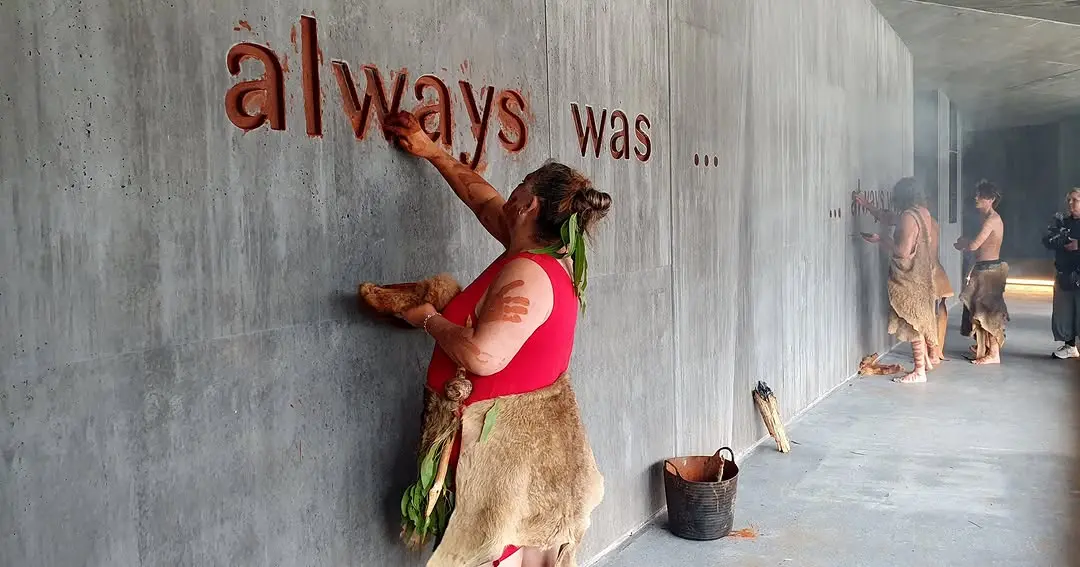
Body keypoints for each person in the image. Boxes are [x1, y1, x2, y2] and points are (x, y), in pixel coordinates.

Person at [383, 110, 608, 567]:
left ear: (530, 206)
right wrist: (432, 151)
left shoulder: (528, 271)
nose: (509, 193)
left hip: (502, 459)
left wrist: (430, 319)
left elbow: (483, 355)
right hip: (511, 454)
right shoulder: (538, 251)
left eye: (519, 187)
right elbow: (485, 201)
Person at [854, 179, 953, 365]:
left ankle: (920, 369)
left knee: (912, 319)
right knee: (921, 317)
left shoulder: (908, 216)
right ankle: (928, 359)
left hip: (911, 275)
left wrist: (881, 239)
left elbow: (902, 252)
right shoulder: (923, 213)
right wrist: (867, 205)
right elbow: (889, 218)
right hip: (925, 273)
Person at [954, 180, 1008, 365]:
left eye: (981, 196)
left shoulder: (992, 220)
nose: (976, 198)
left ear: (991, 199)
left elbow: (975, 245)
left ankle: (994, 353)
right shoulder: (984, 218)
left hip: (990, 271)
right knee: (978, 310)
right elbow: (977, 245)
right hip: (983, 268)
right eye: (977, 195)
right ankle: (983, 347)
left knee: (988, 312)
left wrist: (964, 243)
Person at [1042, 188, 1080, 359]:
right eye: (1069, 200)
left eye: (1075, 200)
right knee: (1064, 312)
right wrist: (1059, 240)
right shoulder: (1062, 222)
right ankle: (1069, 346)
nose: (1071, 203)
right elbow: (1047, 240)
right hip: (1064, 274)